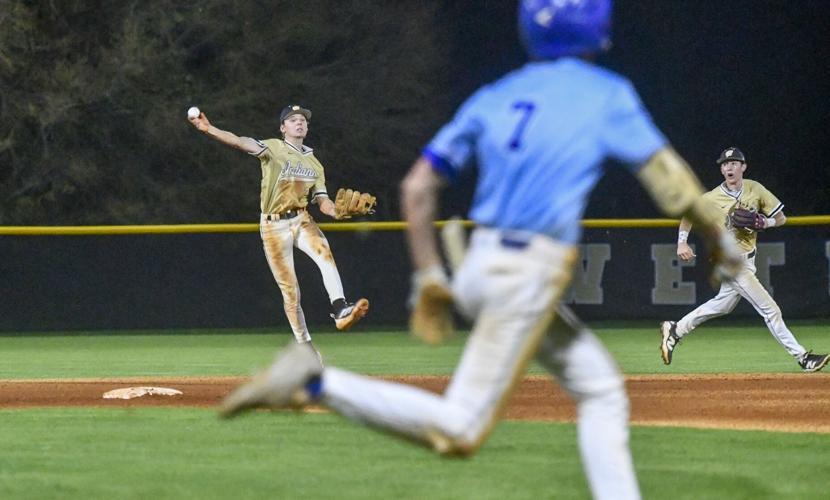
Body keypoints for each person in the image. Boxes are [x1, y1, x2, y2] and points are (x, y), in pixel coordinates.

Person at [219, 2, 742, 499]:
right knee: (461, 425)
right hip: (527, 272)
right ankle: (315, 384)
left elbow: (418, 188)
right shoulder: (605, 93)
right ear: (597, 31)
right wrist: (717, 239)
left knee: (602, 389)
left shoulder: (495, 94)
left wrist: (428, 276)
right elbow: (671, 182)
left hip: (478, 261)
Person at [188, 104, 370, 355]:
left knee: (324, 253)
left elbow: (323, 201)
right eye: (293, 120)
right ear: (283, 127)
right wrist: (210, 129)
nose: (299, 123)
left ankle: (340, 308)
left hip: (301, 219)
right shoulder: (273, 147)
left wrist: (337, 212)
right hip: (273, 225)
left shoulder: (315, 163)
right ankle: (305, 345)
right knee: (291, 291)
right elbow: (240, 142)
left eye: (303, 120)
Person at [660, 147, 829, 372]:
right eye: (725, 164)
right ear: (721, 169)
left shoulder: (755, 189)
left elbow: (781, 218)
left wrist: (764, 223)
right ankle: (803, 358)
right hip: (732, 263)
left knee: (722, 306)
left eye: (734, 163)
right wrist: (682, 241)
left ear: (743, 167)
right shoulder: (711, 197)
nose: (729, 167)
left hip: (749, 260)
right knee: (771, 310)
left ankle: (676, 329)